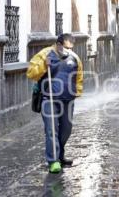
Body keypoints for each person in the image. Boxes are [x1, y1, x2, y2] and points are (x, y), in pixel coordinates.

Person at [26, 33, 83, 173]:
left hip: (67, 100)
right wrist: (43, 65)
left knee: (66, 130)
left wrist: (77, 93)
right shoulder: (45, 54)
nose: (68, 50)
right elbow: (31, 73)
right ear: (58, 44)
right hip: (49, 99)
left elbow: (79, 76)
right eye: (66, 47)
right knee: (52, 130)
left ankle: (60, 155)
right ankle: (53, 161)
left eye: (71, 48)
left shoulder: (74, 57)